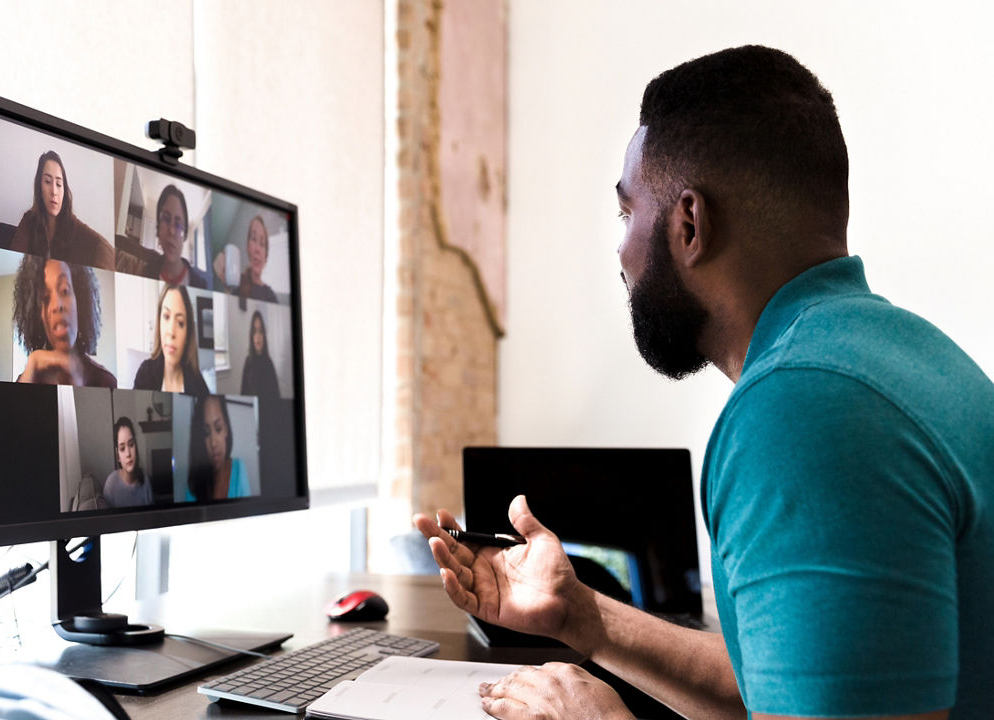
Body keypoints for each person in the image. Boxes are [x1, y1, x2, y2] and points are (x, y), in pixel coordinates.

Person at [416, 46, 993, 720]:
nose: (621, 252)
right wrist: (581, 616)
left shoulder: (800, 414)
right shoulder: (902, 359)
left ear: (690, 224)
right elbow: (785, 684)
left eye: (628, 213)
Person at [12, 256, 116, 388]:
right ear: (37, 316)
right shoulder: (28, 378)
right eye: (45, 297)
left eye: (65, 291)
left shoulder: (106, 382)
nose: (57, 305)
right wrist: (33, 363)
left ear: (79, 300)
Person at [9, 150, 114, 270]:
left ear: (64, 190)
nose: (54, 191)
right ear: (39, 186)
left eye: (59, 184)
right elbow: (14, 262)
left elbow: (106, 248)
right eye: (47, 182)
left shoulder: (73, 224)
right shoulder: (29, 220)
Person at [132, 284, 210, 395]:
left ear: (188, 334)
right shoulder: (145, 373)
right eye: (166, 316)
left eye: (180, 323)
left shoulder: (198, 384)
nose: (171, 332)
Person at [185, 395, 250, 501]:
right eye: (206, 433)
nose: (213, 443)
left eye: (218, 428)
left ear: (226, 430)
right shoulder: (193, 482)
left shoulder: (239, 469)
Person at [153, 184, 212, 289]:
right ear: (158, 225)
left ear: (184, 234)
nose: (171, 231)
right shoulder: (145, 272)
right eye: (166, 218)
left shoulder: (201, 285)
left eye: (178, 224)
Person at [102, 417, 153, 508]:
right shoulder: (111, 485)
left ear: (136, 447)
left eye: (131, 445)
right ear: (118, 456)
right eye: (122, 448)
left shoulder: (145, 479)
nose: (128, 453)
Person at [239, 310, 280, 398]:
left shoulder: (269, 363)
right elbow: (243, 393)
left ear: (264, 335)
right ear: (251, 335)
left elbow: (276, 396)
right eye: (254, 331)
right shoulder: (248, 362)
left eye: (260, 331)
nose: (258, 336)